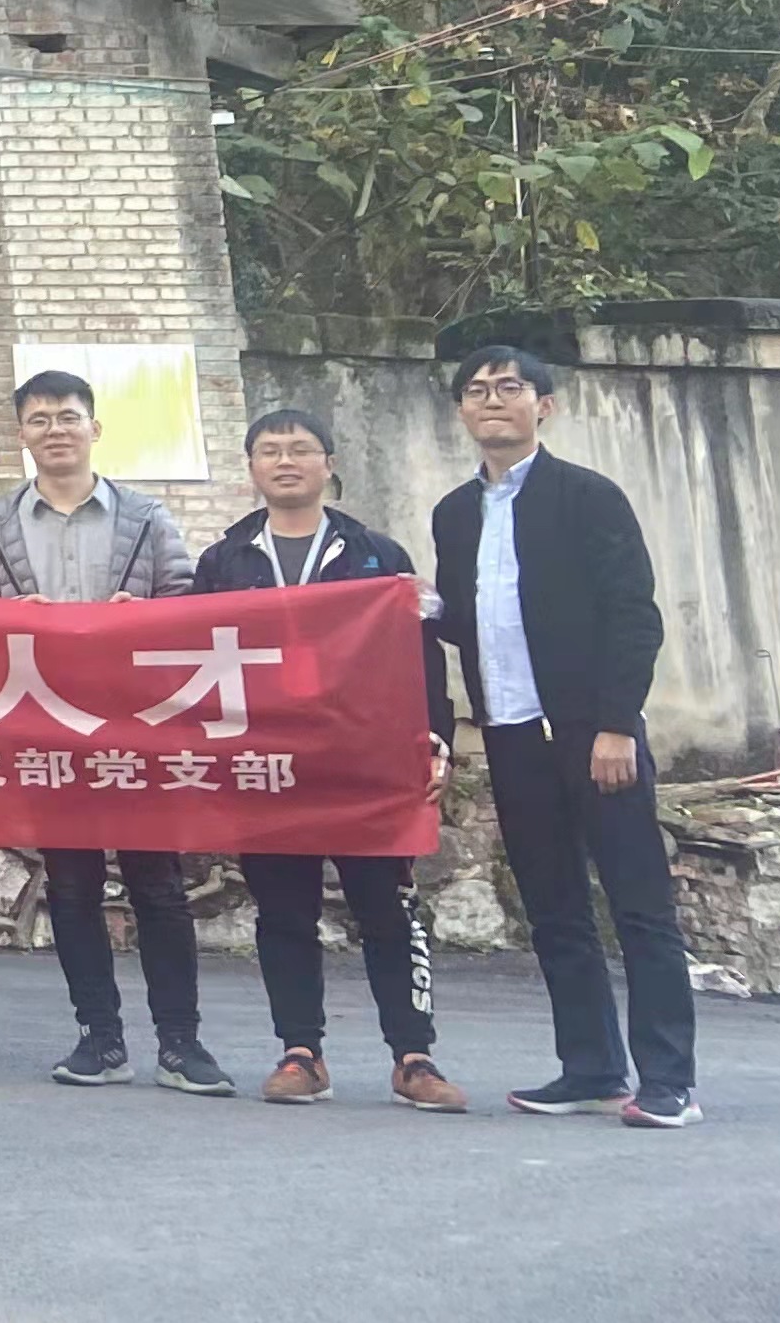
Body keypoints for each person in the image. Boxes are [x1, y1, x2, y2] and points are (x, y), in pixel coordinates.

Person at [429, 344, 696, 1128]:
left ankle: (669, 1081)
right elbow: (471, 620)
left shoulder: (587, 497)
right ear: (462, 412)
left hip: (593, 732)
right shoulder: (455, 513)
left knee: (639, 906)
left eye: (509, 387)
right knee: (553, 910)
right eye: (477, 390)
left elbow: (633, 615)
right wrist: (416, 608)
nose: (492, 400)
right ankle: (590, 1067)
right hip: (511, 734)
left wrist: (616, 723)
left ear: (543, 406)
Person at [0, 369, 222, 1097]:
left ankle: (181, 1042)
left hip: (137, 728)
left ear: (94, 428)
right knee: (71, 887)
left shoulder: (146, 516)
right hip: (47, 727)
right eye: (40, 419)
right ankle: (99, 1038)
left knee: (158, 886)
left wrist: (144, 617)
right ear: (21, 434)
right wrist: (7, 619)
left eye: (68, 416)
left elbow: (187, 606)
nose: (56, 430)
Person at [196, 407, 465, 1113]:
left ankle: (413, 1055)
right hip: (268, 763)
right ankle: (300, 1052)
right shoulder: (224, 561)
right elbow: (195, 659)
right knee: (283, 911)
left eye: (300, 449)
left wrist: (436, 738)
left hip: (365, 763)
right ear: (251, 468)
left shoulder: (375, 553)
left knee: (387, 908)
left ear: (329, 463)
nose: (285, 461)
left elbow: (419, 653)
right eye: (270, 451)